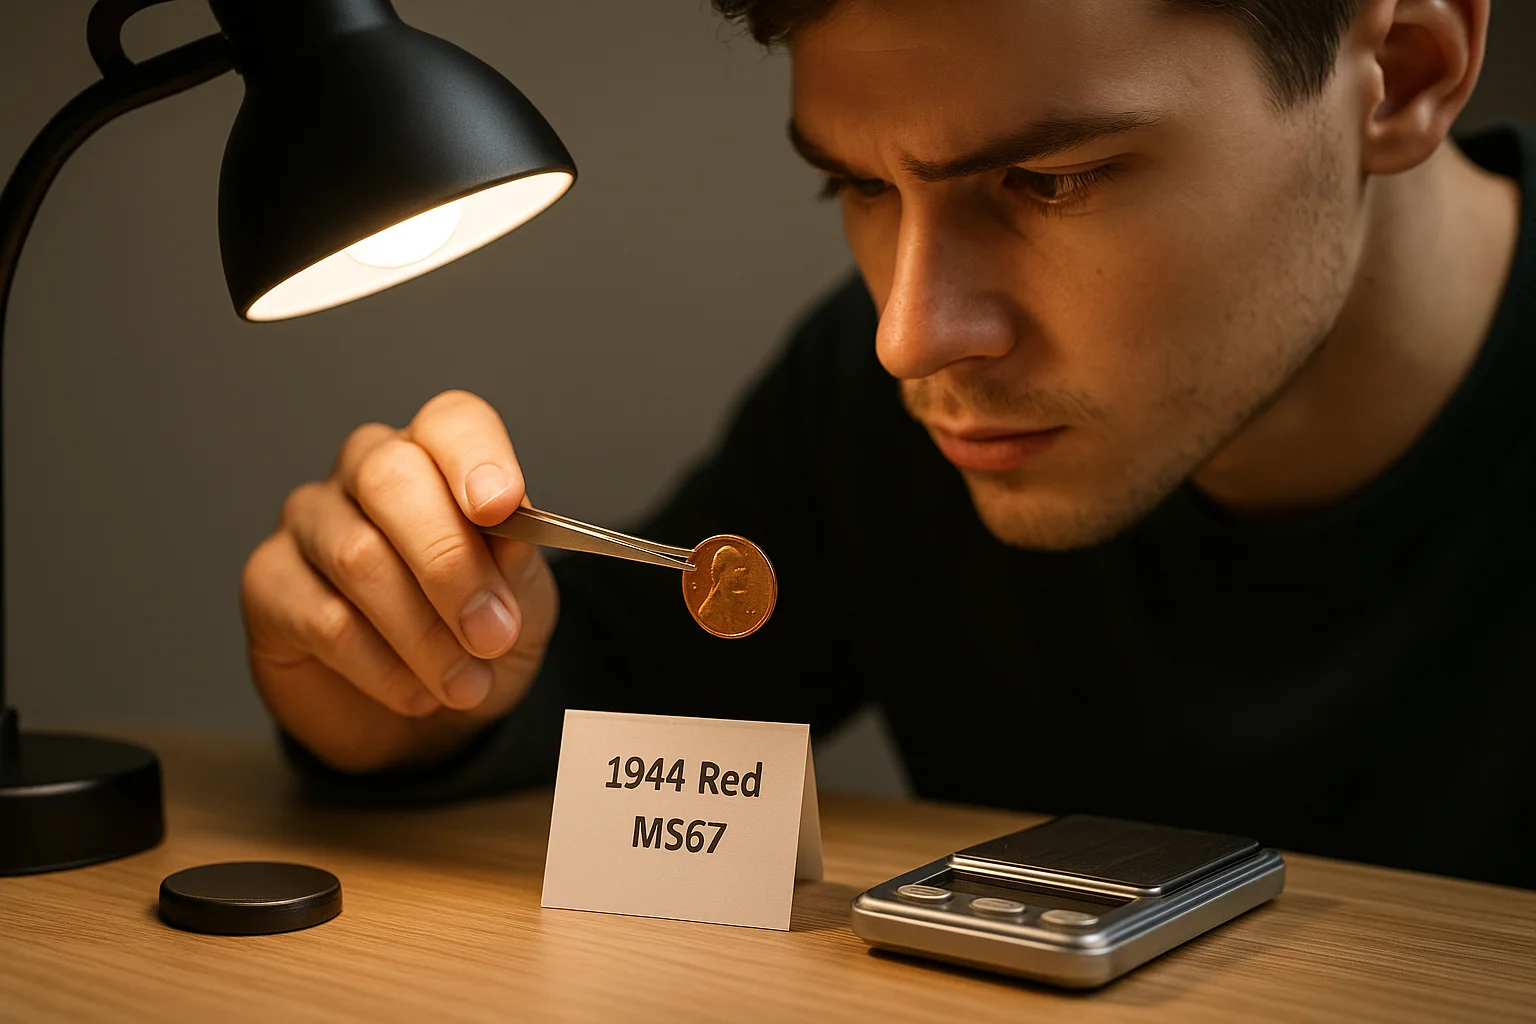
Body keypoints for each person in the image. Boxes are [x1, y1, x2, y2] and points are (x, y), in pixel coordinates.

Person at [240, 0, 1534, 889]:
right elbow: (607, 704)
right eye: (858, 186)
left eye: (1053, 179)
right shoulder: (872, 416)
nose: (909, 339)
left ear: (1404, 73)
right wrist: (418, 681)